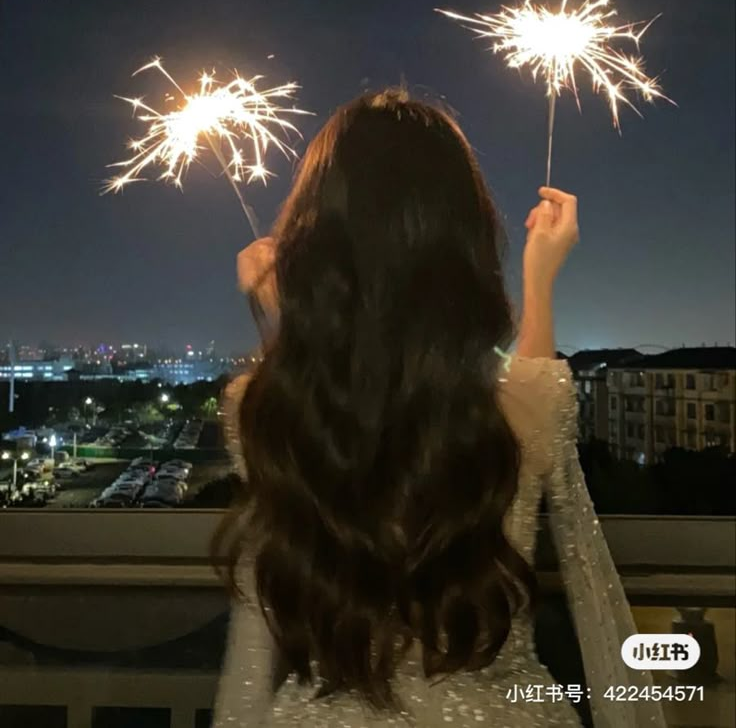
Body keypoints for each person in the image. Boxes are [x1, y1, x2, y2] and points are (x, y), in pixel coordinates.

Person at [213, 89, 666, 728]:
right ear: (466, 232)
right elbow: (531, 402)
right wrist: (540, 280)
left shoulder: (257, 408)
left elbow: (319, 408)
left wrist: (286, 314)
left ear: (318, 234)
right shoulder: (530, 402)